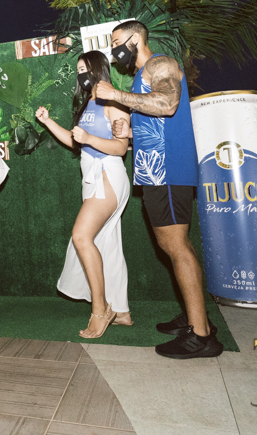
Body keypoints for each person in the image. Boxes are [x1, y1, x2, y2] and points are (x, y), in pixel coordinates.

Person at [95, 20, 223, 359]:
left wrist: (115, 95)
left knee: (176, 246)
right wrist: (130, 131)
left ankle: (201, 336)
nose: (115, 50)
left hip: (167, 169)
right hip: (155, 171)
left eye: (118, 42)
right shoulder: (142, 75)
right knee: (172, 246)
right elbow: (157, 122)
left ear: (136, 39)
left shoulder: (160, 63)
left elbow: (168, 104)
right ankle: (195, 317)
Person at [35, 50, 133, 338]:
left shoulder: (114, 102)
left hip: (108, 175)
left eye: (85, 69)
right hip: (91, 176)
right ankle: (122, 311)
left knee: (81, 236)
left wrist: (89, 137)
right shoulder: (88, 103)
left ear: (99, 69)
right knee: (107, 244)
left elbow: (121, 147)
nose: (81, 75)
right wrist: (48, 122)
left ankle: (101, 310)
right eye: (78, 70)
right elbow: (76, 142)